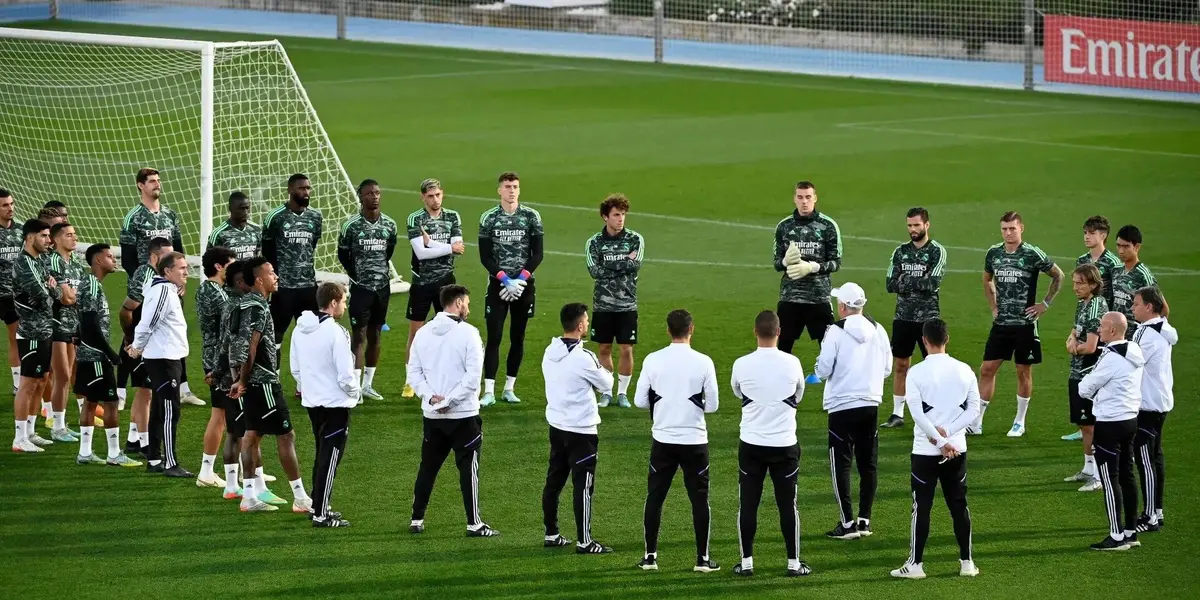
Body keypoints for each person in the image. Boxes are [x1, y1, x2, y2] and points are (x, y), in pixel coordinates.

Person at [890, 318, 980, 579]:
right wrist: (948, 434)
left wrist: (939, 441)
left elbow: (917, 415)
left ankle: (916, 565)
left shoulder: (916, 372)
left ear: (924, 341)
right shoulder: (964, 370)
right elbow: (973, 410)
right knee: (959, 505)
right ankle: (967, 563)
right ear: (947, 339)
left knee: (922, 507)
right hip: (957, 450)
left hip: (925, 451)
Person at [406, 285, 497, 537]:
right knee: (469, 470)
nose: (468, 307)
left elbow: (413, 372)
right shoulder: (469, 333)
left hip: (432, 415)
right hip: (463, 415)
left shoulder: (423, 333)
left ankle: (416, 518)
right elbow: (473, 378)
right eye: (466, 302)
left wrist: (431, 398)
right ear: (457, 303)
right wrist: (450, 401)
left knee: (427, 468)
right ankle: (474, 523)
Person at [633, 309, 720, 573]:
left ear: (668, 330)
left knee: (655, 497)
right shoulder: (704, 362)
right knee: (699, 499)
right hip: (694, 440)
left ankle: (650, 557)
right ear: (691, 329)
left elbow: (639, 401)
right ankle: (703, 559)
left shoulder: (653, 360)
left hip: (663, 439)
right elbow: (713, 406)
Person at [730, 310, 811, 577]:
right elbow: (798, 394)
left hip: (751, 443)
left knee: (748, 503)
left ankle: (746, 562)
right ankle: (793, 563)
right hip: (784, 444)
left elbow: (737, 391)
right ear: (779, 332)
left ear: (755, 332)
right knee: (788, 505)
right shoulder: (792, 363)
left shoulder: (741, 364)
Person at [229, 257, 311, 513]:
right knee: (286, 435)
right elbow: (250, 347)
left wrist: (236, 377)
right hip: (263, 382)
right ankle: (300, 497)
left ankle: (249, 496)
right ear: (259, 280)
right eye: (271, 272)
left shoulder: (243, 304)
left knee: (251, 435)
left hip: (250, 380)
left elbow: (232, 343)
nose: (276, 276)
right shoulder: (257, 308)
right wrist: (242, 380)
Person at [974, 211, 1064, 437]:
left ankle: (1019, 421)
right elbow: (986, 279)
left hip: (1025, 324)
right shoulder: (994, 253)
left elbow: (1058, 275)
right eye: (1004, 229)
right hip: (1001, 323)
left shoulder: (1032, 253)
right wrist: (993, 306)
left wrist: (1045, 304)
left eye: (1012, 228)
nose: (1008, 233)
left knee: (1023, 371)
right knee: (987, 369)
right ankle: (976, 421)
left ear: (1021, 228)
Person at [814, 282, 891, 540]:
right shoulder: (878, 329)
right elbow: (887, 368)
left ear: (843, 307)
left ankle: (847, 523)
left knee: (842, 465)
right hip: (870, 403)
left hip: (841, 405)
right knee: (868, 464)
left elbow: (824, 369)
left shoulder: (835, 331)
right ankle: (864, 520)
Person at [119, 168, 201, 406]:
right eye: (152, 181)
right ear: (140, 185)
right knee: (135, 334)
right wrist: (144, 283)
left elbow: (178, 250)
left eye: (158, 180)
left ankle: (183, 388)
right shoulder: (133, 217)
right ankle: (120, 391)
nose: (157, 184)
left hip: (170, 285)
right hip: (146, 287)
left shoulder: (170, 215)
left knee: (174, 332)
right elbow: (128, 257)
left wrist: (180, 278)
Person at [540, 303, 615, 554]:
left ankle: (551, 533)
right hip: (581, 431)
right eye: (587, 320)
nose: (588, 323)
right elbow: (607, 384)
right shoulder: (584, 357)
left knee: (554, 481)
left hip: (557, 426)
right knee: (583, 486)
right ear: (581, 325)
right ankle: (584, 541)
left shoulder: (549, 351)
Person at [291, 282, 359, 528]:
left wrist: (310, 387)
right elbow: (345, 373)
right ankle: (321, 513)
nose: (345, 306)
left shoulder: (300, 328)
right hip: (335, 404)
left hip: (312, 402)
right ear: (333, 302)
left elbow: (295, 368)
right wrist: (355, 393)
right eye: (343, 301)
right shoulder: (336, 332)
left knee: (322, 453)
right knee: (330, 458)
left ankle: (318, 505)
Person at [1078, 312, 1144, 551]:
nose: (1099, 329)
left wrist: (1095, 392)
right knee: (1127, 475)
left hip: (1109, 424)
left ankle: (1116, 537)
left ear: (1113, 330)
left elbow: (1084, 388)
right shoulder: (1134, 350)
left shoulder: (1111, 358)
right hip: (1130, 420)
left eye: (1102, 326)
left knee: (1109, 479)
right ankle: (1131, 531)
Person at [477, 171, 544, 406]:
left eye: (515, 186)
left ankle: (509, 388)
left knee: (518, 336)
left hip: (524, 285)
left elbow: (538, 254)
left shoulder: (531, 216)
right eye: (507, 186)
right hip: (498, 285)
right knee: (494, 336)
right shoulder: (489, 218)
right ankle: (488, 391)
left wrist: (520, 280)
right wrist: (505, 280)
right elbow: (485, 256)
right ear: (499, 190)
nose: (512, 190)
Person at [74, 243, 141, 467]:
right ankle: (113, 454)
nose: (114, 260)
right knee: (111, 403)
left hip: (87, 354)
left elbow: (82, 322)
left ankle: (85, 453)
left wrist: (78, 338)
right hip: (96, 357)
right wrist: (110, 353)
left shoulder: (89, 283)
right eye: (110, 257)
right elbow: (90, 324)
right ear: (98, 261)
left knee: (90, 402)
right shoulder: (92, 285)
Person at [128, 251, 192, 478]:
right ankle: (170, 463)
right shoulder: (163, 290)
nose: (187, 272)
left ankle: (154, 459)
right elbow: (149, 322)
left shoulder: (163, 289)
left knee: (159, 409)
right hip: (165, 359)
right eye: (181, 268)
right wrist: (137, 347)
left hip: (165, 357)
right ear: (167, 271)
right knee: (169, 411)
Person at [882, 207, 947, 429]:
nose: (913, 229)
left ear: (926, 225)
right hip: (903, 317)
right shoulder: (900, 252)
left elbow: (933, 283)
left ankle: (937, 413)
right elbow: (890, 284)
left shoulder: (937, 251)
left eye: (917, 225)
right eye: (910, 225)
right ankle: (897, 413)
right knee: (901, 364)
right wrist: (918, 281)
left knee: (933, 367)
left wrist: (905, 279)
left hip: (929, 319)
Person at [772, 181, 842, 383]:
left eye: (808, 197)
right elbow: (776, 263)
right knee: (782, 348)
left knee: (828, 347)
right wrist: (785, 261)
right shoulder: (784, 227)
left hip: (818, 297)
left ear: (815, 198)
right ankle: (781, 388)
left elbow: (836, 262)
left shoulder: (828, 226)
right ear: (794, 199)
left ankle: (834, 391)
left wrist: (812, 267)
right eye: (800, 197)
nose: (804, 202)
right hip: (790, 297)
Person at [11, 219, 71, 452]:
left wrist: (51, 289)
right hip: (31, 332)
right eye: (44, 236)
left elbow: (54, 294)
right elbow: (43, 296)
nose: (48, 240)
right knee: (28, 383)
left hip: (44, 329)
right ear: (30, 237)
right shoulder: (24, 264)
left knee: (42, 380)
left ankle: (30, 431)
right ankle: (19, 438)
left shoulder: (40, 261)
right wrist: (51, 288)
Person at [402, 178, 464, 399]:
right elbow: (421, 253)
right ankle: (410, 380)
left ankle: (446, 376)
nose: (435, 199)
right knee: (416, 332)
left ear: (442, 193)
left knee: (450, 332)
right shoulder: (415, 218)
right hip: (422, 283)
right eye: (430, 196)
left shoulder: (452, 216)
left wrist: (432, 244)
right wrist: (447, 248)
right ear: (423, 198)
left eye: (438, 195)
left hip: (447, 282)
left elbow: (459, 248)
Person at [338, 178, 398, 402]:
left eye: (377, 193)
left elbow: (389, 251)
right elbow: (343, 254)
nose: (375, 197)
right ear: (361, 197)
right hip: (361, 288)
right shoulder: (351, 226)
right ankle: (355, 387)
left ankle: (368, 385)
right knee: (359, 336)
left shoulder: (389, 224)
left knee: (376, 335)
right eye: (370, 193)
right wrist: (356, 275)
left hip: (382, 287)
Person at [1063, 216, 1122, 442]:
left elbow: (1117, 295)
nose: (1086, 236)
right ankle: (1084, 429)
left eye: (1091, 232)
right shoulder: (1082, 260)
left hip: (1104, 326)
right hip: (1086, 318)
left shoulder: (1113, 263)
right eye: (1085, 232)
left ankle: (1096, 433)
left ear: (1103, 235)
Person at [585, 194, 644, 408]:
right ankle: (607, 391)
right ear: (605, 217)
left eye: (623, 215)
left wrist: (608, 265)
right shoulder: (594, 242)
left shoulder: (635, 239)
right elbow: (594, 271)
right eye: (616, 215)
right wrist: (623, 263)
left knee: (626, 349)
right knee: (604, 348)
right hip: (603, 305)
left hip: (627, 304)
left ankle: (622, 393)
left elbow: (635, 265)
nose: (621, 219)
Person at [118, 237, 173, 457]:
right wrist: (131, 337)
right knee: (146, 393)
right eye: (166, 255)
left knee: (145, 391)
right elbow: (127, 309)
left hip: (152, 341)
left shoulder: (162, 275)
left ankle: (133, 439)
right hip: (144, 342)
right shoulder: (146, 274)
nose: (170, 260)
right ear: (154, 256)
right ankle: (144, 442)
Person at [262, 173, 323, 366]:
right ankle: (274, 376)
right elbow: (267, 251)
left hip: (308, 287)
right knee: (276, 335)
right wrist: (276, 279)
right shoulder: (275, 217)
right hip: (283, 288)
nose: (306, 192)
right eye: (301, 188)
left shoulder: (315, 217)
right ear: (290, 190)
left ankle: (306, 379)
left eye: (308, 188)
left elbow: (311, 245)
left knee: (311, 335)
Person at [1130, 287, 1174, 532]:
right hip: (1159, 401)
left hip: (1147, 404)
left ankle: (1149, 518)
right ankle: (1157, 511)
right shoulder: (1162, 328)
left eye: (1136, 304)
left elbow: (1131, 362)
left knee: (1145, 461)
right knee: (1155, 458)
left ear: (1149, 307)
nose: (1132, 308)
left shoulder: (1147, 333)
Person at [1063, 264, 1107, 492]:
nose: (1075, 287)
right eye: (1074, 283)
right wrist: (1072, 341)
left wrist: (1074, 347)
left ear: (1093, 284)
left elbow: (1090, 347)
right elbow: (1074, 332)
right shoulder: (1083, 303)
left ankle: (1099, 475)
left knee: (1091, 425)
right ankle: (1089, 468)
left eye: (1080, 283)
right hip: (1078, 371)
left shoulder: (1096, 306)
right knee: (1084, 424)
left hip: (1089, 373)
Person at [196, 246, 237, 488]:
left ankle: (245, 469)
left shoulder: (208, 289)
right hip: (219, 360)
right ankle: (206, 471)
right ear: (219, 266)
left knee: (228, 415)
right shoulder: (217, 294)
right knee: (221, 415)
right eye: (231, 264)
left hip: (213, 356)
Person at [45, 222, 87, 442]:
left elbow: (80, 296)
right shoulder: (53, 261)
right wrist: (72, 295)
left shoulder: (77, 263)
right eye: (69, 235)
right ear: (57, 239)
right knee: (61, 376)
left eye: (74, 234)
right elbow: (65, 298)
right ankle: (56, 426)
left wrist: (72, 295)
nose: (74, 238)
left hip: (73, 325)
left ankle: (61, 424)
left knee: (68, 375)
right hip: (56, 324)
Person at [1111, 225, 1164, 341]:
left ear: (1137, 247)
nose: (1121, 251)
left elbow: (1163, 309)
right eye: (1118, 246)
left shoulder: (1143, 275)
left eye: (1126, 246)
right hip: (1117, 336)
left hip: (1135, 338)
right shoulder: (1116, 270)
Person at [0, 190, 22, 396]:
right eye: (5, 205)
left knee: (15, 337)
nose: (10, 208)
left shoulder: (21, 232)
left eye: (11, 204)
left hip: (12, 297)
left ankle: (17, 384)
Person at [207, 191, 262, 260]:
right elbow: (209, 262)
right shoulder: (219, 234)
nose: (245, 212)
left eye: (247, 208)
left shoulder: (256, 230)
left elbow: (259, 256)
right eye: (241, 208)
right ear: (230, 209)